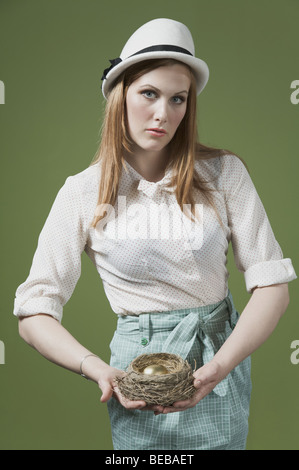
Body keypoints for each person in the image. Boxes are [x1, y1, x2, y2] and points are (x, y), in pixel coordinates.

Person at [13, 18, 297, 450]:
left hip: (219, 356)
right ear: (120, 96)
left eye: (178, 98)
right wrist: (97, 368)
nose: (164, 113)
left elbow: (272, 286)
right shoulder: (82, 192)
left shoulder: (224, 173)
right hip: (135, 375)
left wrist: (219, 367)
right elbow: (33, 312)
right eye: (149, 93)